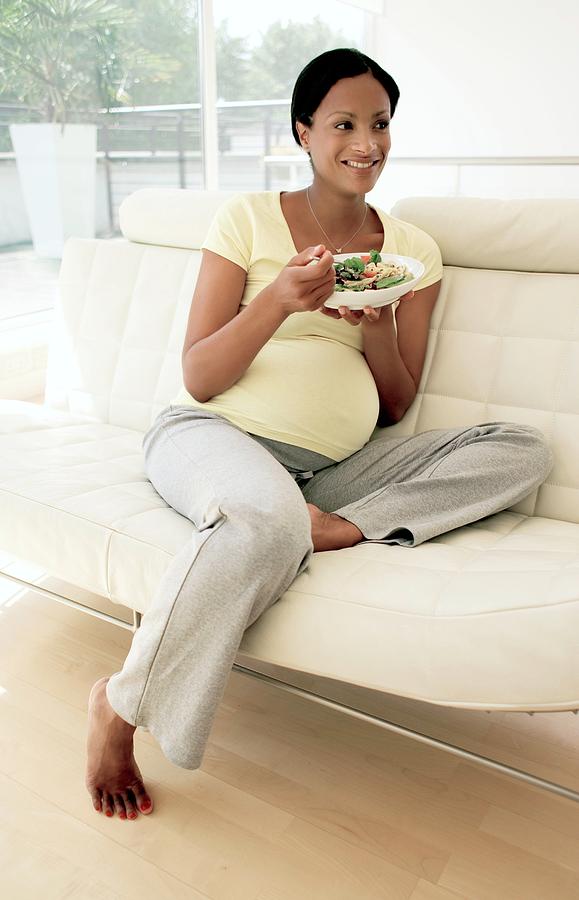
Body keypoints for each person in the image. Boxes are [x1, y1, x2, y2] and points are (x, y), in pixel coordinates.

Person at [85, 48, 553, 820]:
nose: (365, 142)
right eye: (344, 124)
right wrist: (276, 302)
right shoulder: (244, 219)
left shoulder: (411, 254)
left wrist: (375, 326)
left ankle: (338, 528)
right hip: (213, 432)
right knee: (263, 519)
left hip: (336, 469)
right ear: (303, 132)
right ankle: (118, 707)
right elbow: (199, 374)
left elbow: (397, 402)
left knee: (521, 449)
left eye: (379, 124)